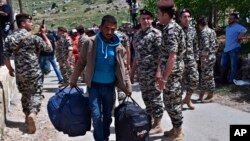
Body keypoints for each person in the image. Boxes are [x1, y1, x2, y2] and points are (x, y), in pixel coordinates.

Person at [70, 15, 132, 141]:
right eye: (107, 28)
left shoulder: (118, 46)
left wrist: (128, 86)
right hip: (94, 86)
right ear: (100, 27)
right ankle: (100, 139)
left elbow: (123, 68)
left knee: (108, 117)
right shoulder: (90, 42)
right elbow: (81, 62)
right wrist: (73, 79)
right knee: (96, 115)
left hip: (109, 87)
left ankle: (105, 137)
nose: (109, 32)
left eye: (112, 29)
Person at [3, 13, 52, 134]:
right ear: (23, 23)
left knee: (25, 94)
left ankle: (26, 117)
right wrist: (44, 35)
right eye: (30, 22)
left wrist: (10, 69)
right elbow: (49, 48)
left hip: (20, 72)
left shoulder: (10, 38)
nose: (32, 24)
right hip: (34, 71)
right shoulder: (33, 37)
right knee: (36, 93)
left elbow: (6, 56)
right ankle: (33, 113)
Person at [130, 9, 164, 135]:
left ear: (152, 20)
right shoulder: (137, 35)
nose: (145, 21)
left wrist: (159, 72)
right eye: (143, 18)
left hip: (153, 72)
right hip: (142, 73)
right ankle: (150, 120)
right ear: (140, 20)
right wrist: (132, 73)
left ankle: (158, 123)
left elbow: (162, 55)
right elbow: (137, 56)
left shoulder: (156, 34)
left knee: (155, 98)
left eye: (148, 18)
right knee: (146, 97)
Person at [157, 5, 186, 141]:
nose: (157, 16)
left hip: (172, 73)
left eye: (159, 13)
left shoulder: (171, 30)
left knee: (172, 103)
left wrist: (164, 78)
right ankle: (175, 128)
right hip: (171, 72)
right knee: (169, 101)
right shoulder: (169, 28)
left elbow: (172, 56)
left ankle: (179, 132)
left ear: (165, 14)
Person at [178, 8, 199, 110]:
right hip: (179, 61)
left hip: (191, 60)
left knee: (195, 80)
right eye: (184, 17)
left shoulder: (193, 29)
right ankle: (179, 102)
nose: (187, 18)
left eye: (188, 16)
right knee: (180, 83)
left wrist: (196, 59)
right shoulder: (176, 29)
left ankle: (187, 98)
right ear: (180, 18)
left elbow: (195, 45)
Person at [220, 13, 247, 84]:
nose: (229, 20)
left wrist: (239, 37)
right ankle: (223, 80)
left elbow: (244, 30)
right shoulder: (228, 27)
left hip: (234, 49)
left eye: (231, 19)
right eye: (228, 18)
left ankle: (231, 81)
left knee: (233, 66)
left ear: (235, 19)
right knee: (223, 64)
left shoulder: (237, 26)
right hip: (226, 49)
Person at [197, 16, 218, 103]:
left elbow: (205, 46)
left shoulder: (204, 32)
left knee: (208, 75)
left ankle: (210, 94)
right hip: (212, 55)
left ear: (199, 24)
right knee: (206, 75)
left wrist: (204, 57)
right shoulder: (212, 31)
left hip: (207, 57)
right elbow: (216, 44)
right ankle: (202, 94)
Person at [0, 0, 12, 65]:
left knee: (8, 42)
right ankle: (3, 60)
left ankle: (10, 58)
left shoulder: (6, 6)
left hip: (7, 27)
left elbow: (6, 13)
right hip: (1, 28)